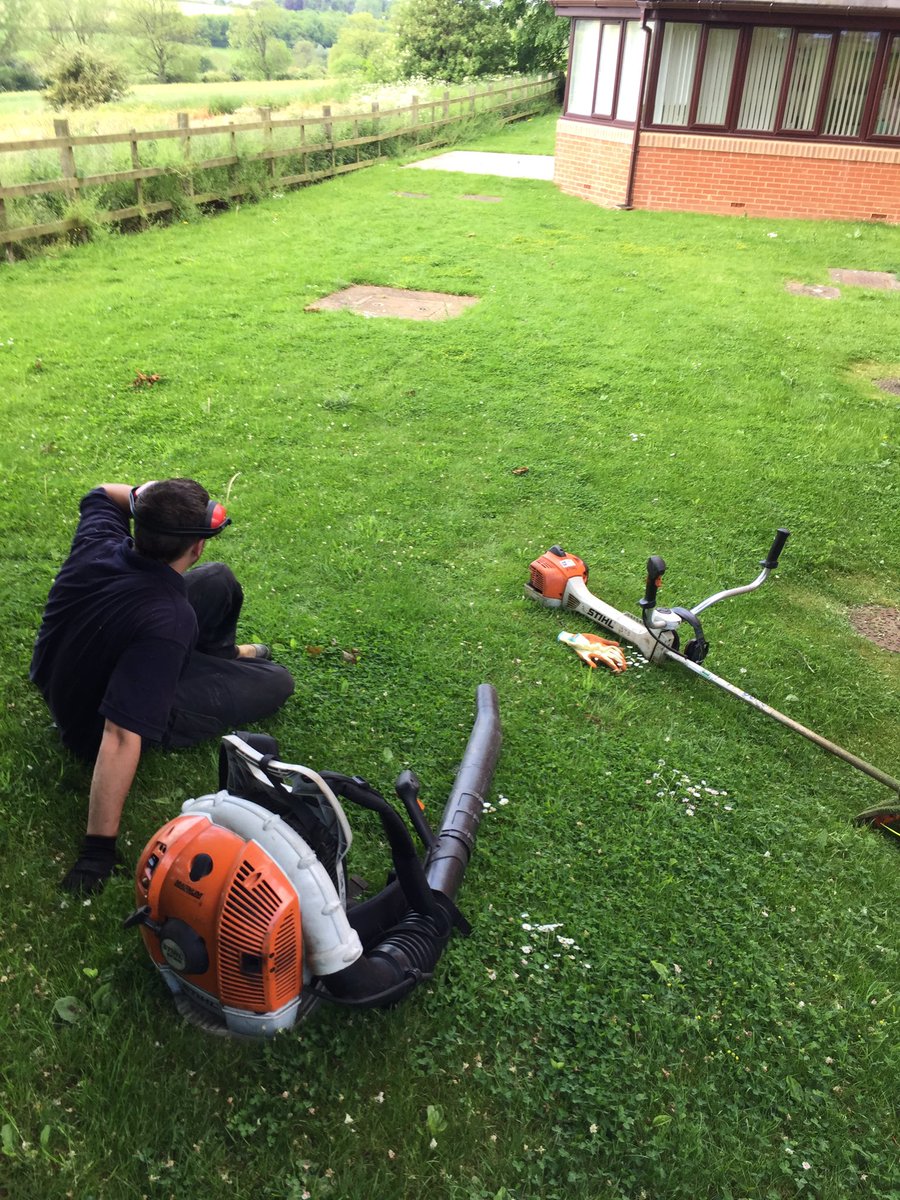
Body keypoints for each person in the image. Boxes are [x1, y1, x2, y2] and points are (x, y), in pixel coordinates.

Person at [30, 479, 295, 894]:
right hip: (90, 722)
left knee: (219, 580)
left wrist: (152, 498)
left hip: (63, 671)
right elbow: (119, 735)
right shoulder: (168, 619)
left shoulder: (100, 540)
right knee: (276, 680)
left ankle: (221, 655)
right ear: (197, 546)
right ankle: (208, 665)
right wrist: (97, 851)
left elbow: (104, 491)